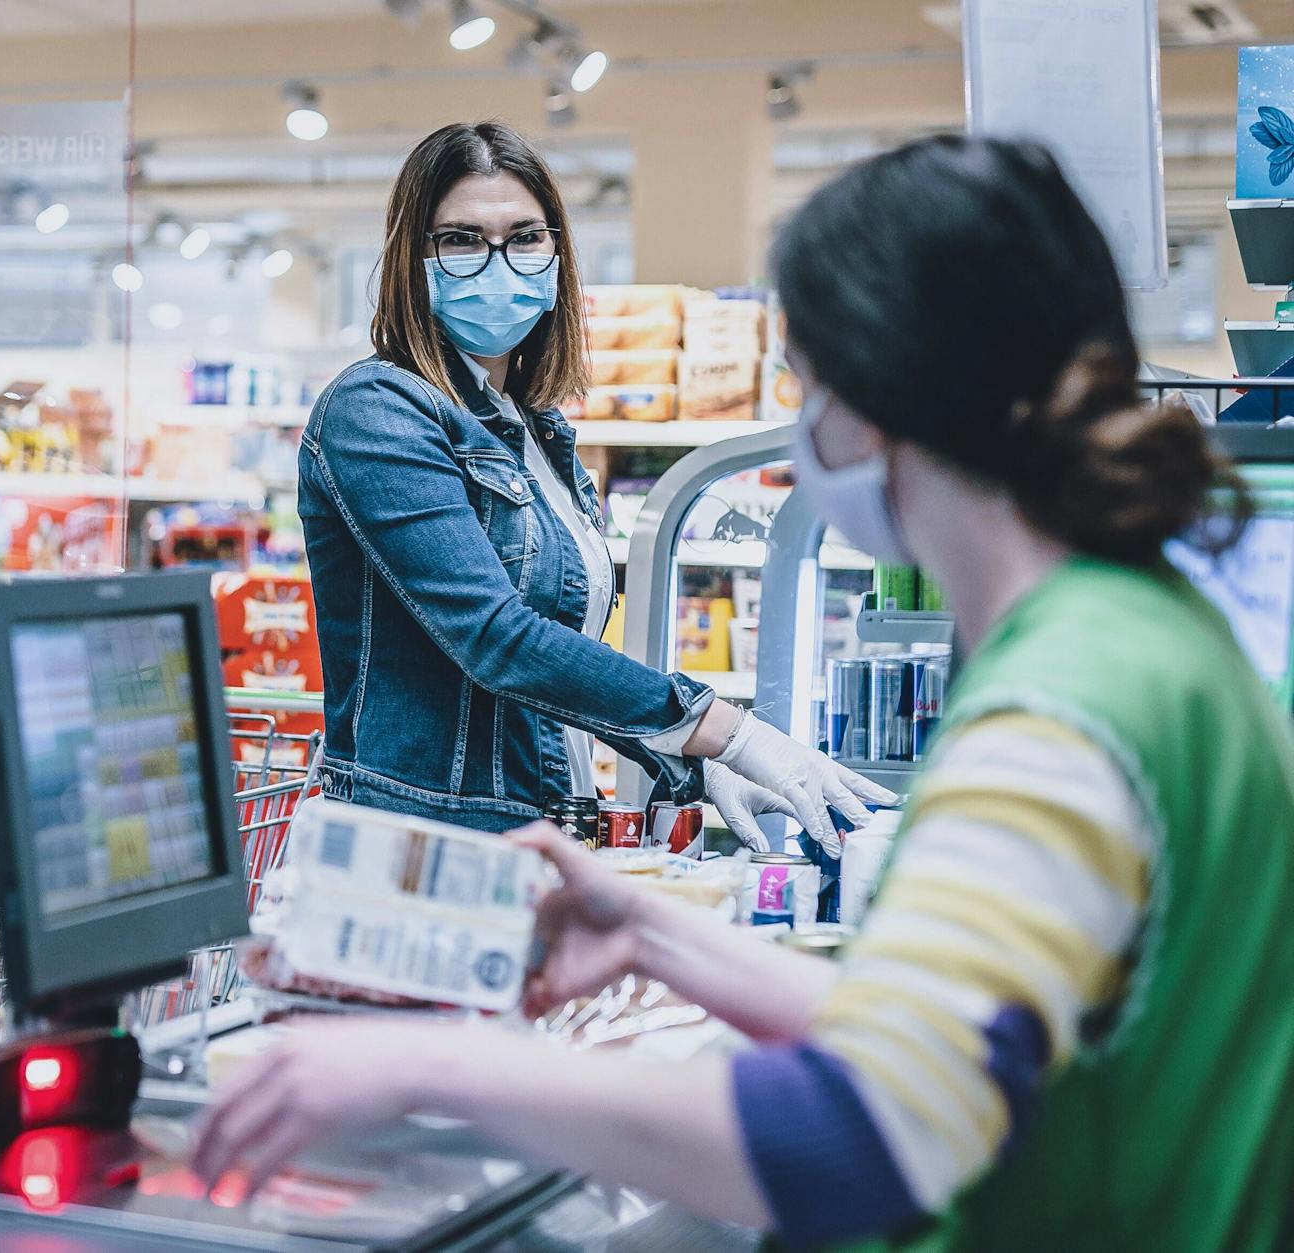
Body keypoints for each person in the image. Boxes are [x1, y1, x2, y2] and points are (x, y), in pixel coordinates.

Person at [197, 136, 1294, 1250]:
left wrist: (438, 1060)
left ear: (870, 402)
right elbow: (959, 1048)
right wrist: (658, 935)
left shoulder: (1054, 714)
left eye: (802, 381)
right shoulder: (1155, 639)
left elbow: (861, 1131)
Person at [299, 120, 890, 851]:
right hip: (425, 852)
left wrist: (687, 760)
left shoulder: (539, 430)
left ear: (556, 256)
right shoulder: (377, 411)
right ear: (411, 259)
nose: (497, 263)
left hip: (538, 833)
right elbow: (498, 641)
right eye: (460, 239)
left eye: (524, 238)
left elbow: (556, 658)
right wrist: (725, 731)